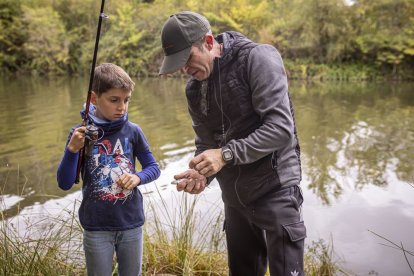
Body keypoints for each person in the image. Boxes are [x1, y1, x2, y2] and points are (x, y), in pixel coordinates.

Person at [159, 11, 306, 276]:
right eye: (178, 63)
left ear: (207, 41)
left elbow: (281, 129)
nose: (184, 69)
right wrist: (201, 173)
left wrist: (225, 155)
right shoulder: (193, 88)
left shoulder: (258, 58)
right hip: (236, 198)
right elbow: (206, 143)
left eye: (188, 58)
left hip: (275, 188)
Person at [57, 63, 160, 276]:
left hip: (131, 222)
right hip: (96, 226)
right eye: (114, 100)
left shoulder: (133, 131)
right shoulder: (80, 133)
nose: (122, 107)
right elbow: (64, 183)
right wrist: (72, 150)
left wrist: (137, 178)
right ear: (93, 99)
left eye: (126, 100)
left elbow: (153, 167)